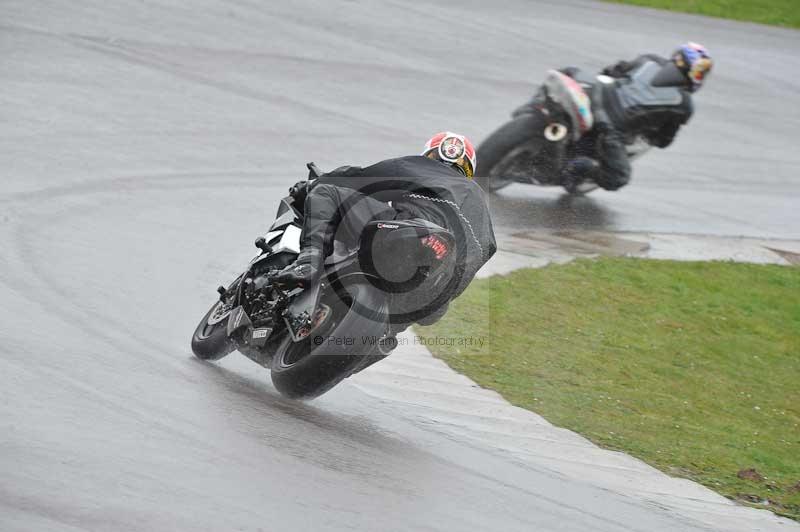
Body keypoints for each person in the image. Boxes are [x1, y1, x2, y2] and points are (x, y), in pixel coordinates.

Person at [274, 132, 497, 326]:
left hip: (409, 232)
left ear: (430, 155)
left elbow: (361, 179)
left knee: (326, 194)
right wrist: (443, 300)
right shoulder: (482, 211)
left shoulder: (422, 166)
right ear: (468, 169)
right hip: (438, 282)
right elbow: (484, 253)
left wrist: (318, 182)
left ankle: (309, 262)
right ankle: (382, 341)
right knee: (392, 331)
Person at [557, 42, 713, 191]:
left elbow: (611, 71)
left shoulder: (648, 59)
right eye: (699, 71)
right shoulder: (684, 103)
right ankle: (579, 167)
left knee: (570, 72)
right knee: (618, 177)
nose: (699, 76)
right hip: (611, 127)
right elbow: (664, 140)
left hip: (595, 93)